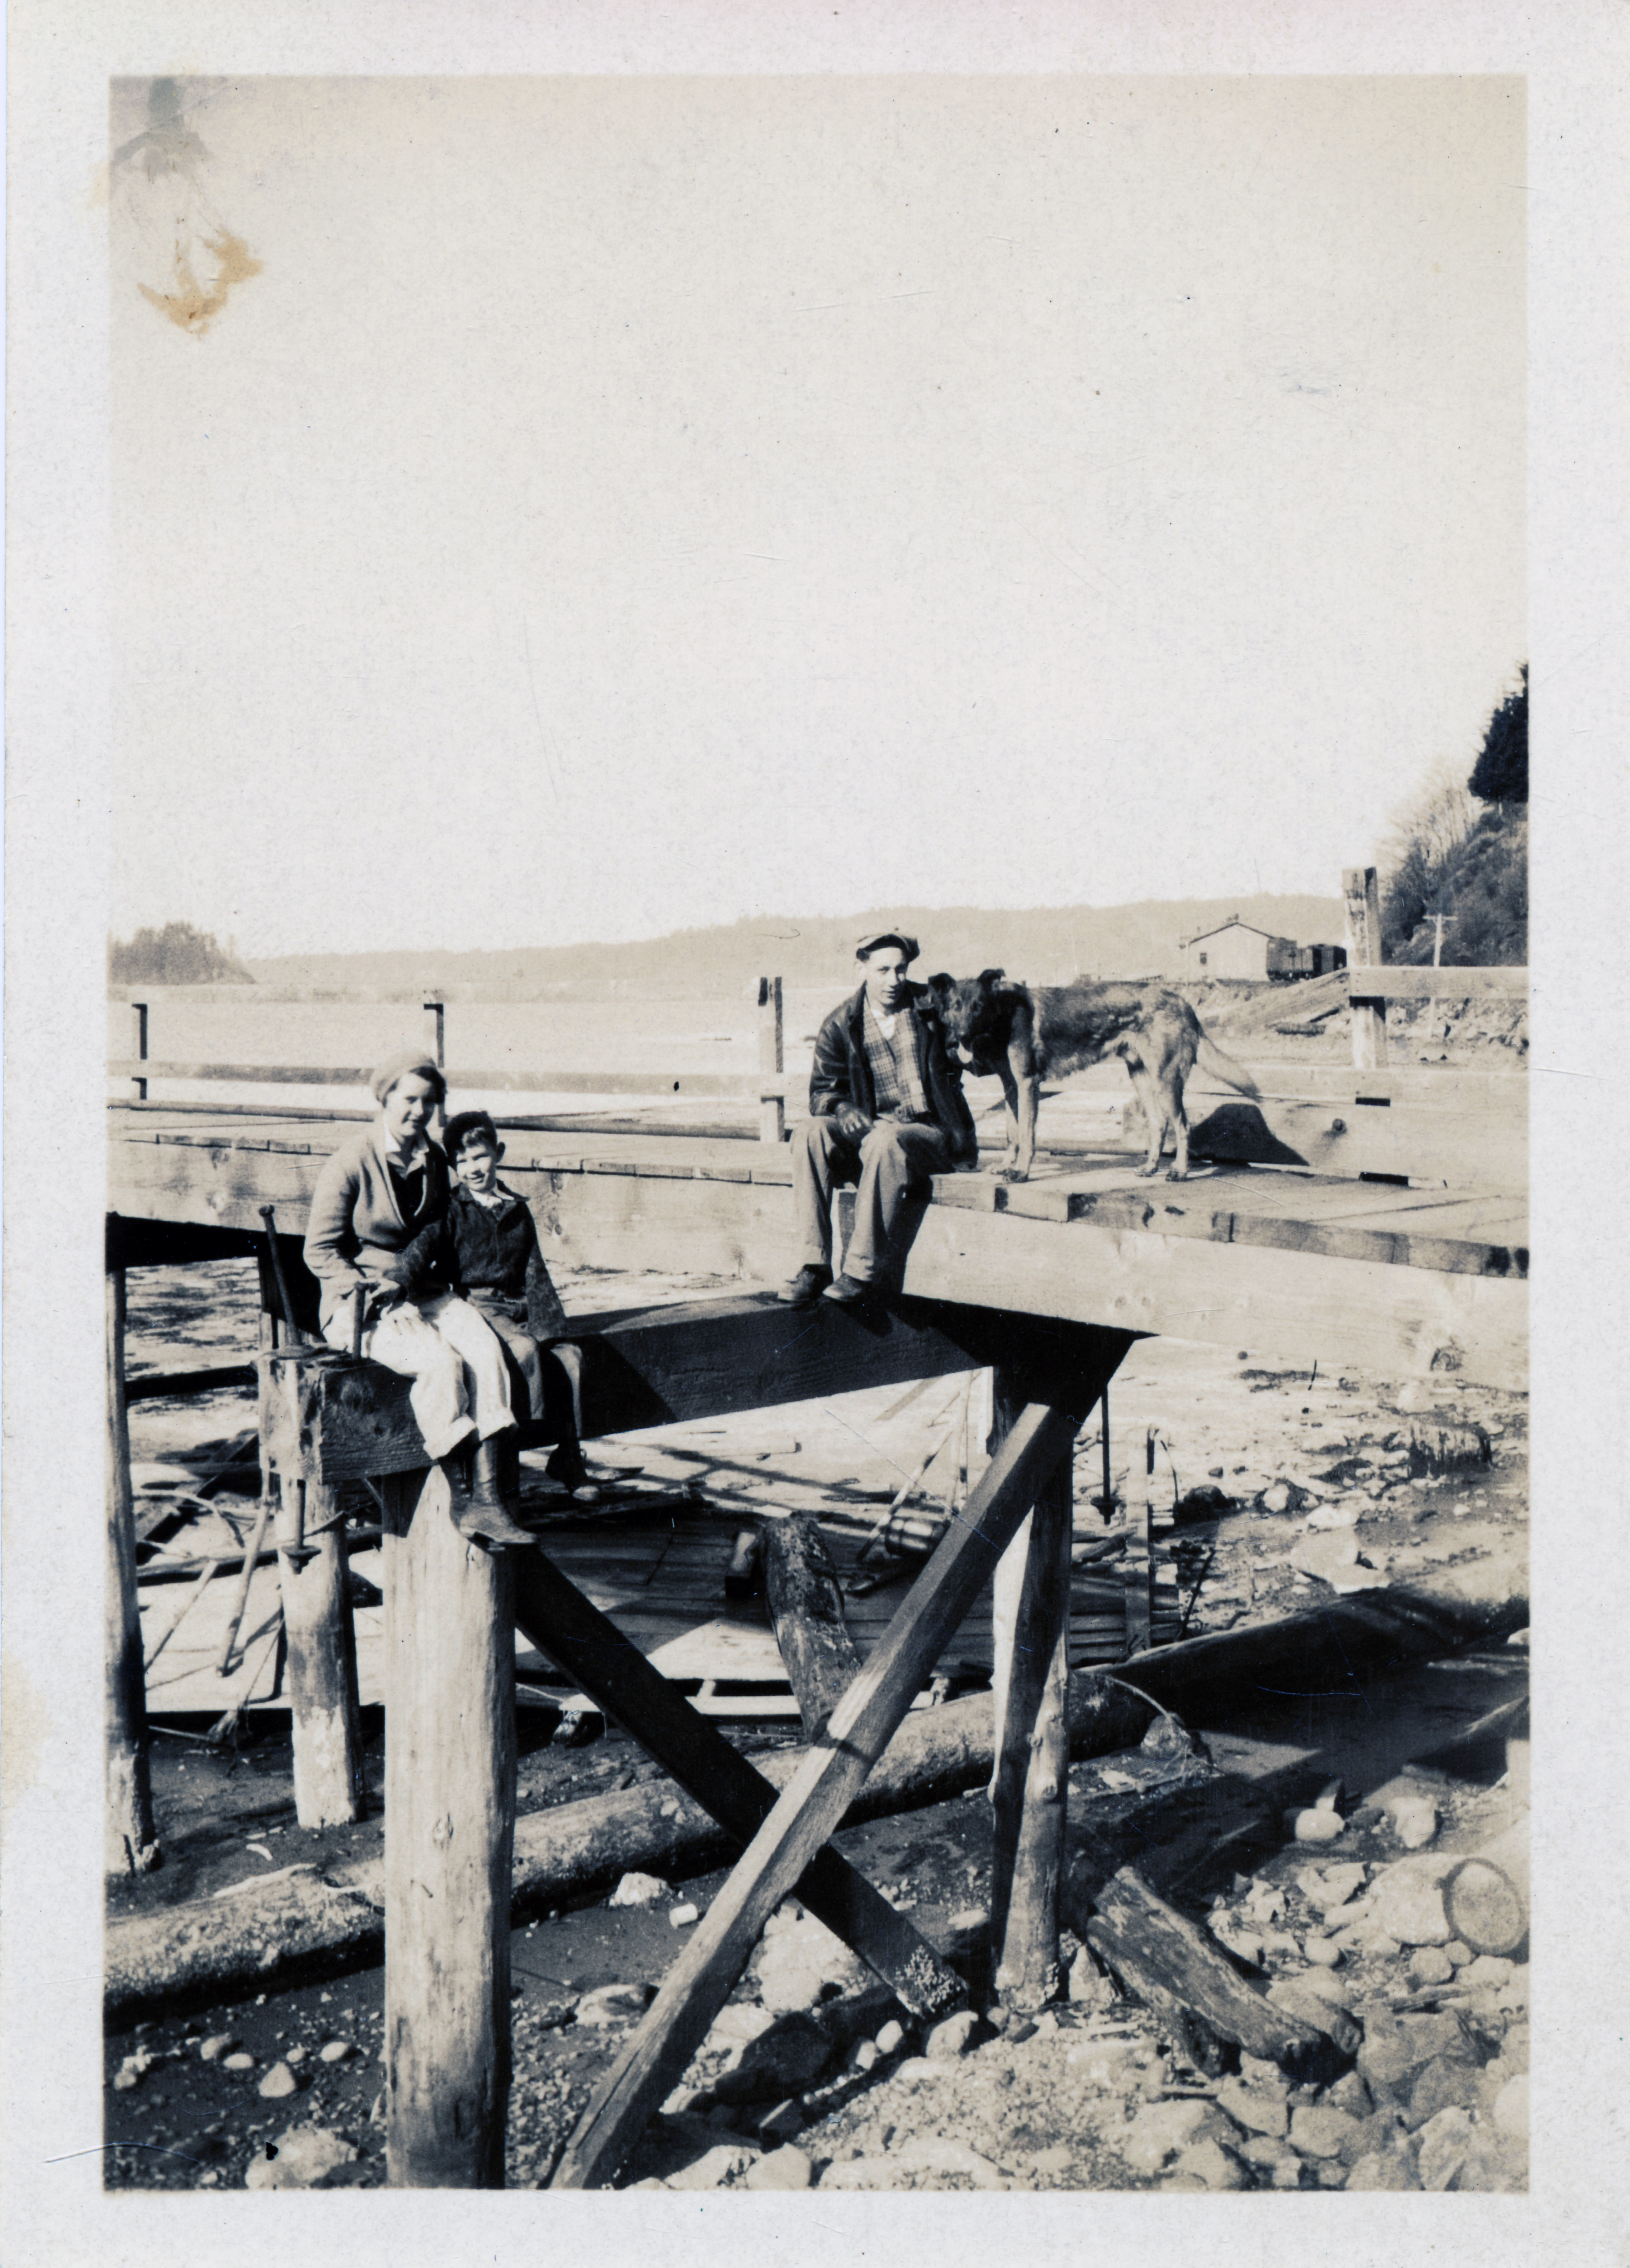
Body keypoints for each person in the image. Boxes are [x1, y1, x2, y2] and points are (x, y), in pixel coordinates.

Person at [302, 1050, 533, 1546]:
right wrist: (373, 1297)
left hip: (421, 1291)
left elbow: (454, 1223)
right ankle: (463, 1499)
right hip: (360, 1304)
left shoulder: (435, 1160)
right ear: (385, 1097)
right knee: (439, 1363)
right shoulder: (351, 1162)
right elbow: (318, 1250)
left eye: (429, 1102)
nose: (419, 1111)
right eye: (409, 1099)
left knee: (486, 1352)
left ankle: (490, 1498)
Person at [780, 927, 978, 1307]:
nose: (894, 980)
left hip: (931, 1134)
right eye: (883, 970)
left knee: (885, 1140)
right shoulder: (839, 1023)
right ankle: (813, 1264)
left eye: (901, 970)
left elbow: (969, 1050)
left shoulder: (932, 1007)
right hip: (872, 1138)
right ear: (861, 970)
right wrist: (842, 1108)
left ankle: (860, 1271)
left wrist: (969, 1048)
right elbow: (822, 1091)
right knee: (809, 1133)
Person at [437, 1110, 601, 1502]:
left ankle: (569, 1457)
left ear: (499, 1152)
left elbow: (535, 1269)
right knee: (524, 1351)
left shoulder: (516, 1207)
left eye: (480, 1156)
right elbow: (428, 1253)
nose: (473, 1168)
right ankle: (513, 1458)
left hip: (521, 1303)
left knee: (570, 1357)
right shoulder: (453, 1209)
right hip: (480, 1305)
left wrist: (551, 1328)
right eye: (462, 1161)